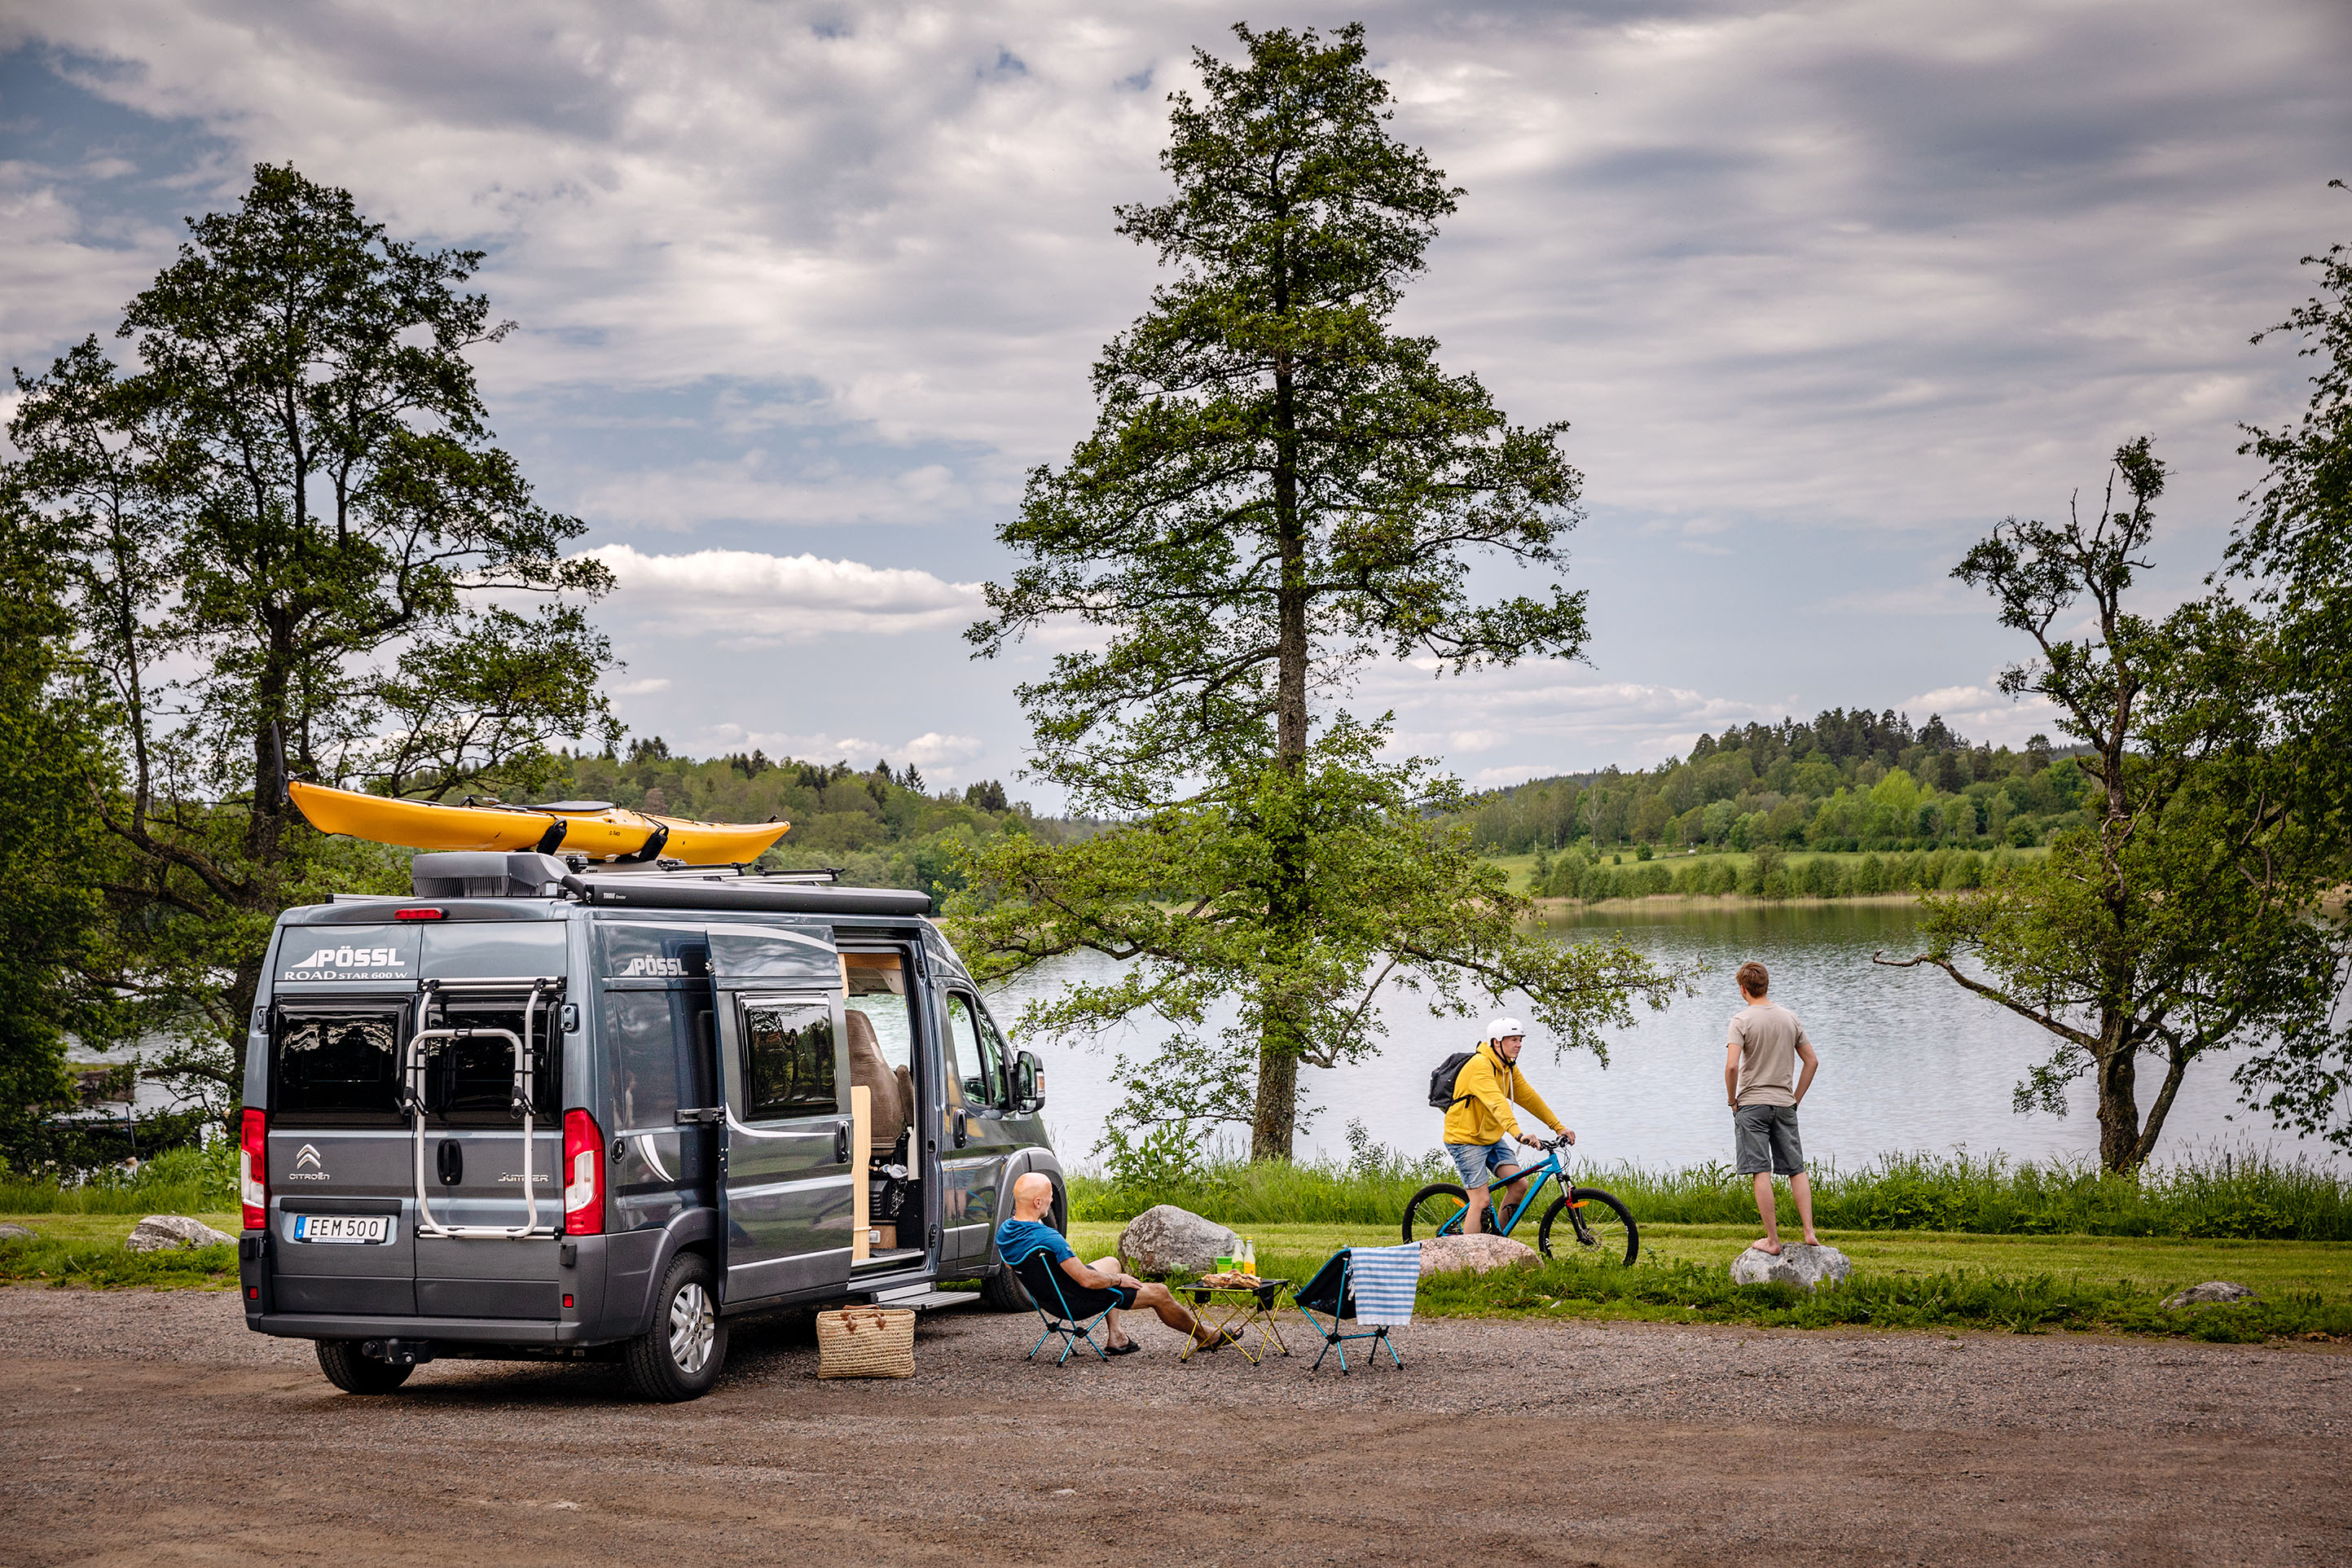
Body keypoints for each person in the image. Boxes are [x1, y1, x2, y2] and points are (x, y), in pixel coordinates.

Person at [993, 1172, 1236, 1354]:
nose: (1050, 1202)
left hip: (1051, 1301)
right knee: (1160, 1292)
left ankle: (1117, 1337)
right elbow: (1087, 1280)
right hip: (1076, 1301)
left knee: (1111, 1262)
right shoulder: (1048, 1238)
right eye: (1048, 1198)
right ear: (1037, 1203)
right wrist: (1119, 1281)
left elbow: (1011, 1266)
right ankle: (1205, 1336)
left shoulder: (1005, 1232)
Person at [1442, 1016, 1573, 1235]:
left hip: (1491, 1138)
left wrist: (1557, 1126)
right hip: (1464, 1140)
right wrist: (1518, 1134)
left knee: (1519, 1185)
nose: (1519, 1045)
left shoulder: (1508, 1067)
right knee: (1481, 1201)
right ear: (1496, 1042)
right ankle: (1470, 1257)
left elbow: (1529, 1097)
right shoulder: (1480, 1066)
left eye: (1520, 1040)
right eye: (1513, 1040)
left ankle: (1496, 1240)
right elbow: (1496, 1103)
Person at [1725, 960, 1820, 1254]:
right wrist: (1795, 1099)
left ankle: (1773, 1241)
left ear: (1743, 989)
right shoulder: (1789, 1018)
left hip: (1752, 1105)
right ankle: (1809, 1232)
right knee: (1796, 1169)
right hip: (1784, 1103)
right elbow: (1812, 1061)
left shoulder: (1741, 1021)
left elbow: (1731, 1068)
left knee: (1760, 1171)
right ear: (1766, 985)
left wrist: (1732, 1100)